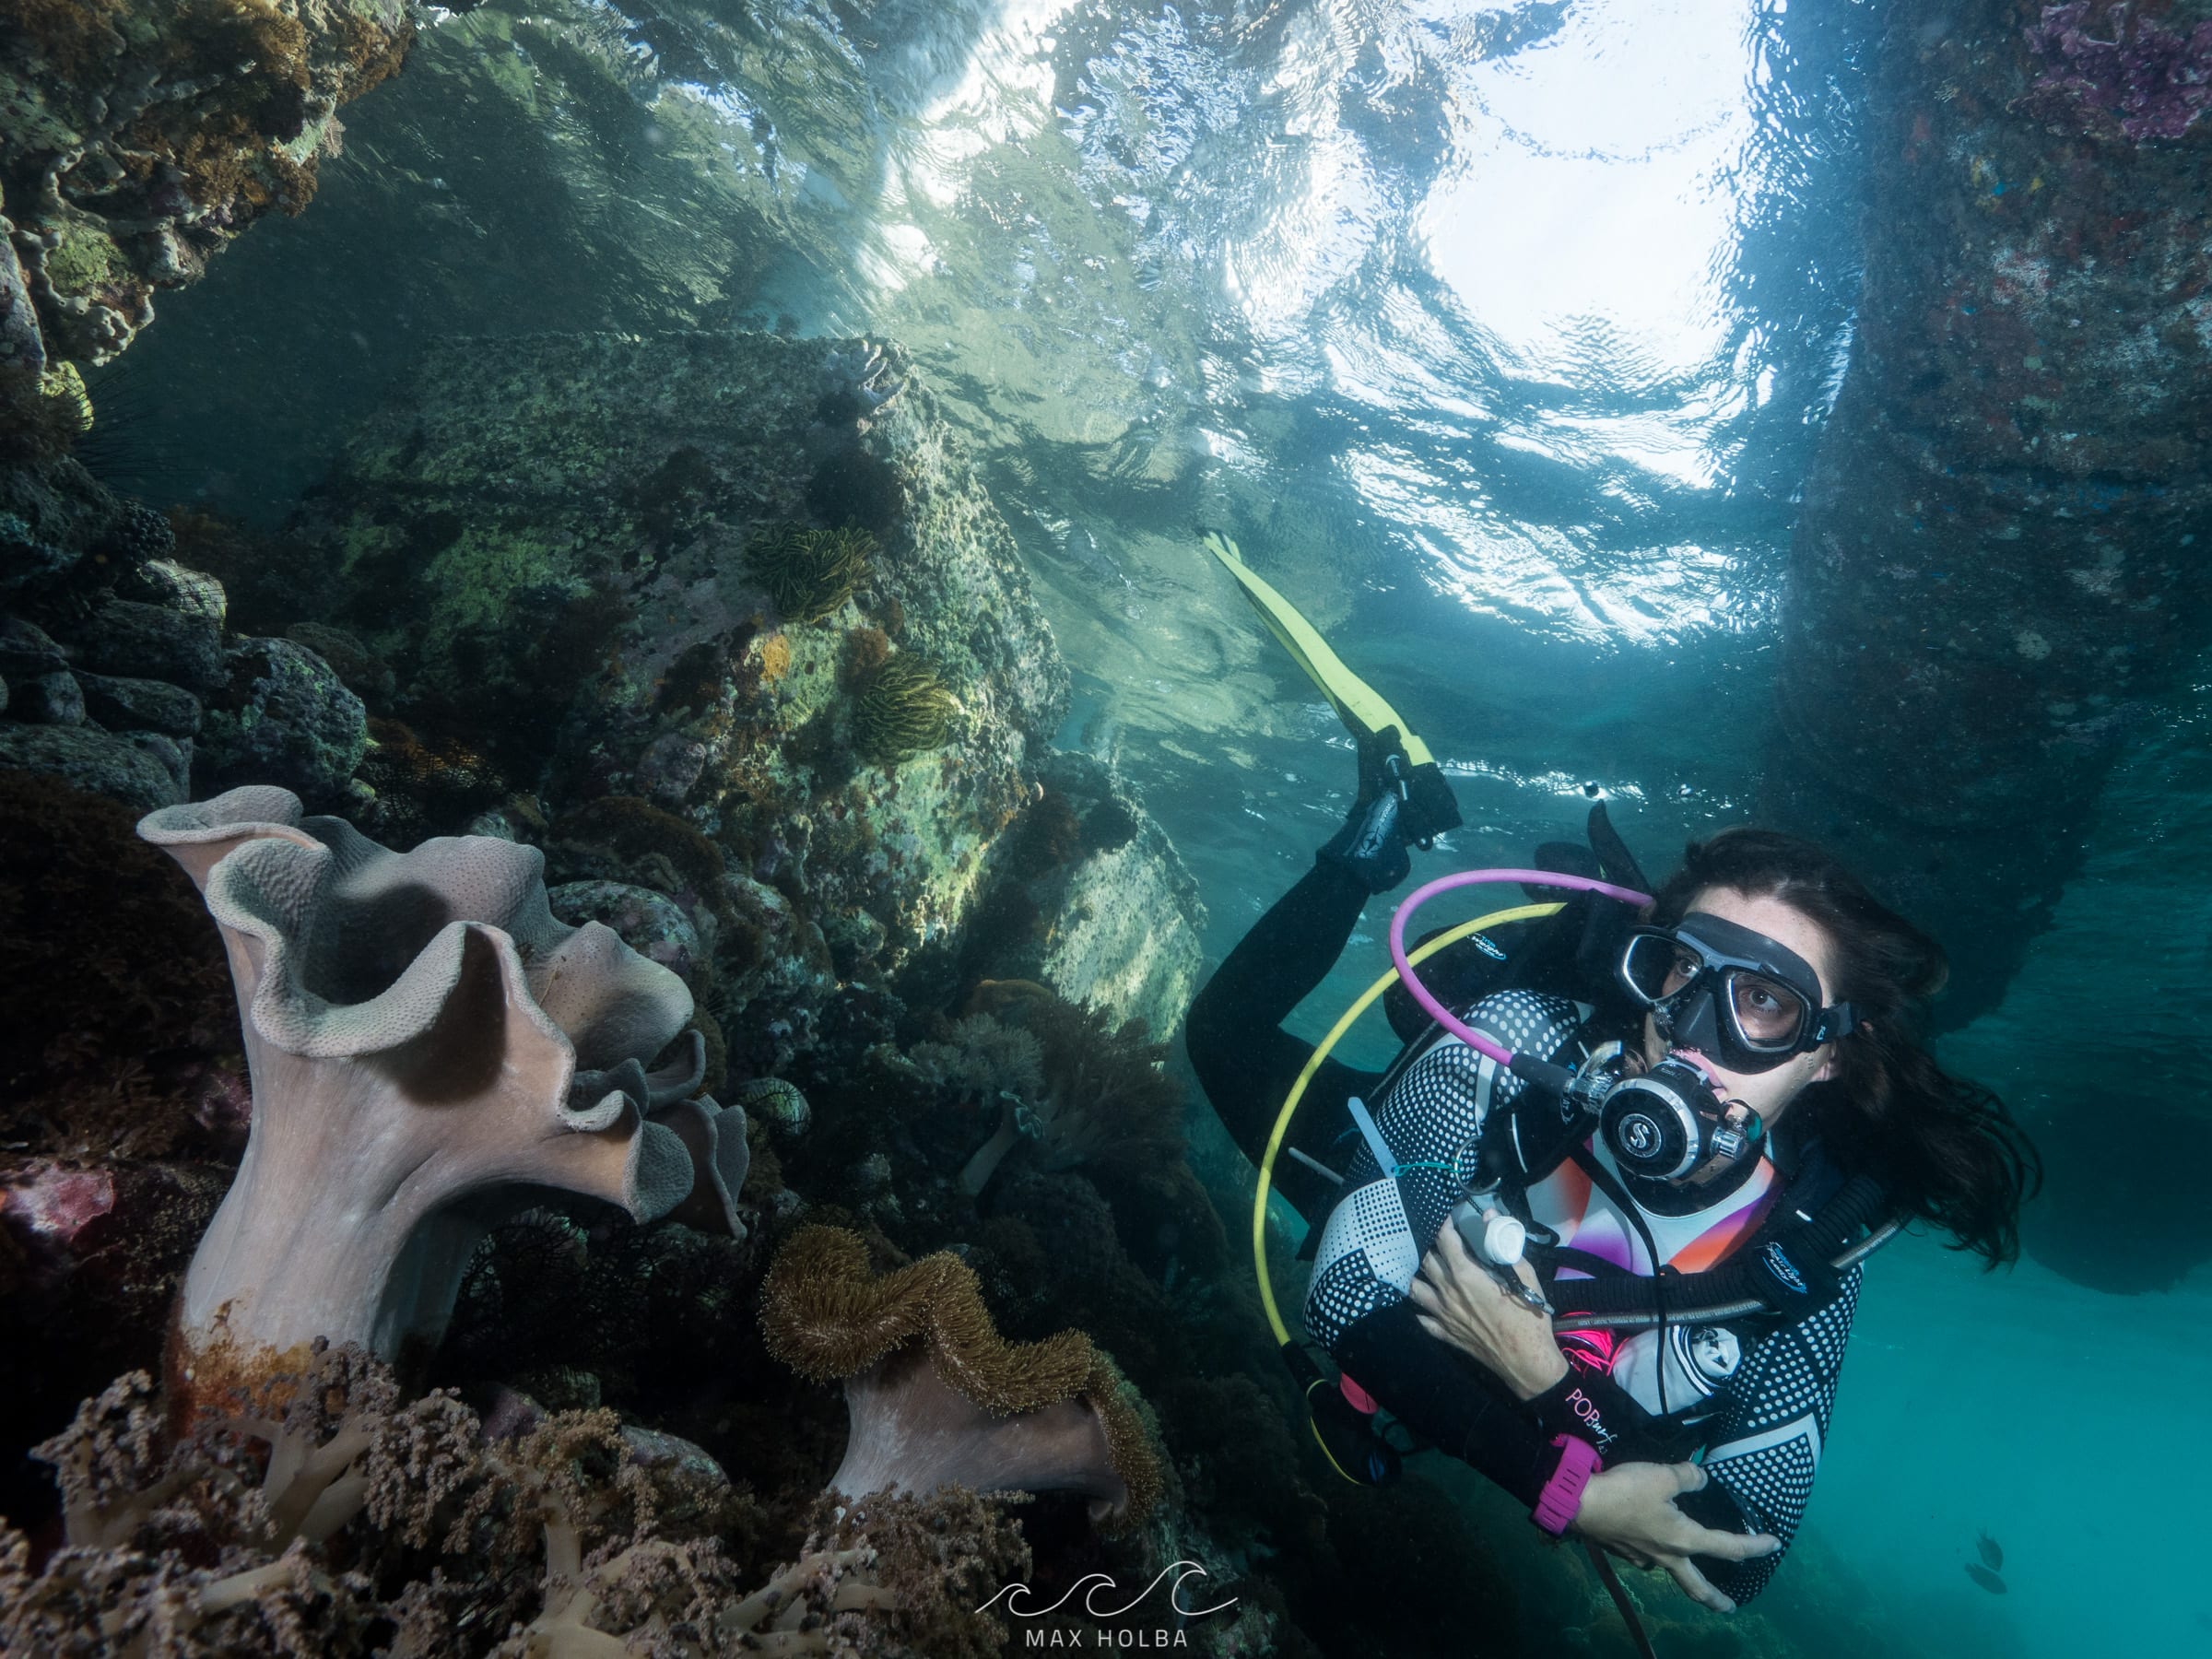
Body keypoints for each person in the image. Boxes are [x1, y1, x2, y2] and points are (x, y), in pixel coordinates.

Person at [1185, 747, 2041, 1614]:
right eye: (1681, 973)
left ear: (1825, 1057)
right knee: (1220, 1036)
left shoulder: (1809, 1240)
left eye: (1765, 1005)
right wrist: (1575, 1492)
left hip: (1502, 1354)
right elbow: (1344, 1293)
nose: (1694, 1035)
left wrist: (1546, 1385)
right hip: (1430, 1164)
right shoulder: (1520, 1040)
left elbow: (1741, 1558)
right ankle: (1372, 841)